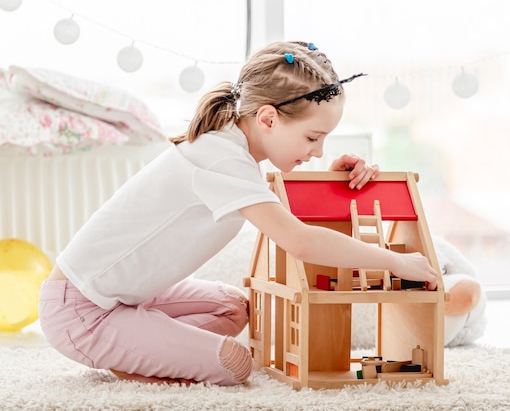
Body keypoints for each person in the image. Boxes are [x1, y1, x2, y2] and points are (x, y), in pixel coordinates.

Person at [38, 41, 438, 387]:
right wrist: (397, 261)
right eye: (312, 138)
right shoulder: (221, 159)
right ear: (268, 118)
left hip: (129, 298)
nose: (317, 151)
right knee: (235, 364)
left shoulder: (234, 153)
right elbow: (300, 240)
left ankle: (143, 344)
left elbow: (283, 214)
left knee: (234, 307)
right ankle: (132, 355)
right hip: (81, 312)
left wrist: (330, 183)